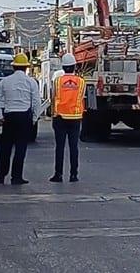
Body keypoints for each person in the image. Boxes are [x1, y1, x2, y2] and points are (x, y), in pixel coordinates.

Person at [0, 53, 41, 185]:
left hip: (9, 116)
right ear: (26, 68)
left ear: (13, 67)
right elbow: (36, 102)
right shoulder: (31, 82)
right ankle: (16, 177)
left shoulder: (4, 81)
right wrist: (34, 118)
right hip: (24, 116)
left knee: (5, 148)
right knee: (20, 148)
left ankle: (1, 176)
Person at [50, 53, 86, 183]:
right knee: (73, 147)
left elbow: (53, 97)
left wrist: (54, 114)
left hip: (60, 117)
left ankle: (58, 174)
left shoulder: (57, 81)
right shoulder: (81, 82)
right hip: (75, 117)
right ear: (74, 66)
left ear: (63, 67)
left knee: (60, 147)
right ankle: (73, 175)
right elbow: (81, 97)